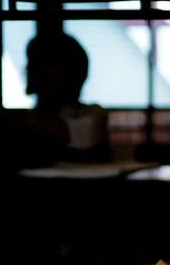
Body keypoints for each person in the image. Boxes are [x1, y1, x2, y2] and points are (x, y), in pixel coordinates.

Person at [7, 30, 110, 167]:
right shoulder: (24, 122)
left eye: (54, 66)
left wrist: (30, 121)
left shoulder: (92, 114)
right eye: (38, 66)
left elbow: (84, 133)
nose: (45, 74)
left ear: (74, 73)